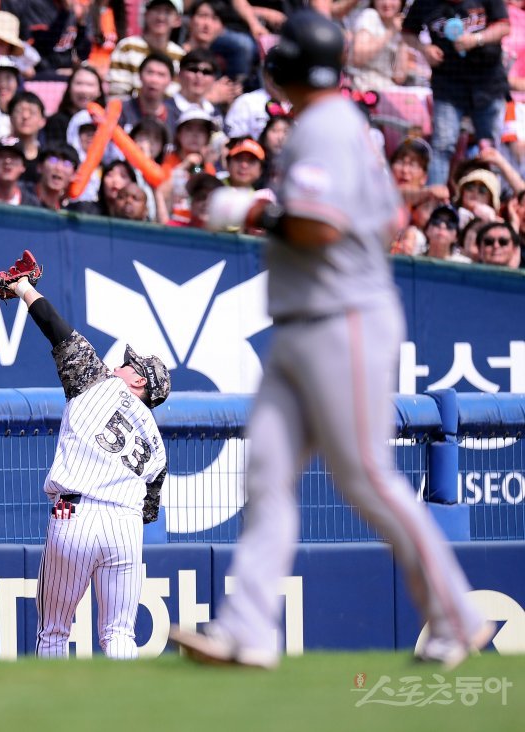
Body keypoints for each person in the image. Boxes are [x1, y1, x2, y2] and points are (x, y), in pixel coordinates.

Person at [169, 11, 495, 670]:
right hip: (307, 319)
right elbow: (388, 217)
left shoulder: (323, 125)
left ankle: (457, 617)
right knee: (266, 473)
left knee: (366, 477)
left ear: (289, 65)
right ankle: (248, 631)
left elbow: (317, 227)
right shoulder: (338, 124)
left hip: (341, 318)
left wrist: (253, 209)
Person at [0, 250, 170, 658]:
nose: (120, 365)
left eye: (129, 365)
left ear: (138, 381)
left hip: (75, 516)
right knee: (120, 635)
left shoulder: (97, 381)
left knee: (54, 632)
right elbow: (149, 511)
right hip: (126, 528)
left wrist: (24, 287)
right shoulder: (157, 445)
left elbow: (55, 327)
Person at [402, 0, 510, 186]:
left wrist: (477, 39)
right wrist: (424, 49)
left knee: (490, 148)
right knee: (442, 146)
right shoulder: (426, 2)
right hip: (448, 84)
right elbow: (407, 32)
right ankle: (435, 199)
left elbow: (504, 26)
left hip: (487, 84)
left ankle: (494, 197)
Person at [107, 0, 185, 98]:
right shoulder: (127, 47)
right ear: (146, 14)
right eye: (156, 10)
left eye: (167, 12)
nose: (160, 17)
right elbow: (117, 94)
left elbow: (178, 98)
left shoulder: (181, 56)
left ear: (178, 20)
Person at [347, 0, 411, 91]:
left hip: (387, 89)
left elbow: (399, 77)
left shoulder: (397, 26)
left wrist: (403, 40)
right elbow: (359, 58)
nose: (387, 3)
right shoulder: (370, 16)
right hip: (363, 87)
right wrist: (390, 32)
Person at [118, 52, 179, 140]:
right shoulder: (120, 111)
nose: (154, 80)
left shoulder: (176, 119)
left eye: (161, 75)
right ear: (140, 75)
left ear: (171, 81)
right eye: (150, 72)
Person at [44, 64, 106, 146]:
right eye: (79, 83)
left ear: (99, 91)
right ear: (69, 88)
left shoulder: (107, 121)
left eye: (90, 84)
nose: (83, 90)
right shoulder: (56, 122)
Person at [7, 89, 46, 182]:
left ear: (43, 121)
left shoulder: (46, 157)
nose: (25, 116)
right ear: (10, 117)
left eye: (32, 112)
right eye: (19, 111)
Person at [32, 143, 80, 209]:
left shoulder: (68, 211)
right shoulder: (21, 196)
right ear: (40, 166)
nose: (59, 168)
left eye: (67, 164)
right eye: (53, 160)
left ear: (74, 175)